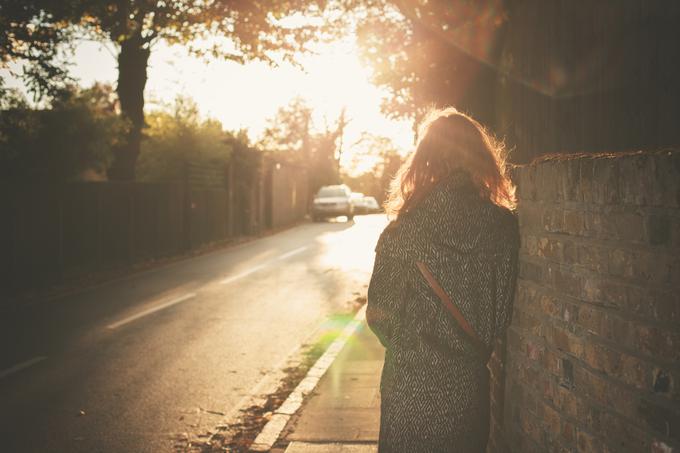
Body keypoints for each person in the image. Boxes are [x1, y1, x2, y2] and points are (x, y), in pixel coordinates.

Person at [366, 107, 520, 453]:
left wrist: (413, 349)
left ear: (425, 160)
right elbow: (499, 318)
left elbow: (378, 316)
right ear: (481, 158)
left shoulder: (402, 231)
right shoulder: (503, 228)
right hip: (467, 387)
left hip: (409, 384)